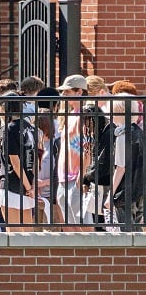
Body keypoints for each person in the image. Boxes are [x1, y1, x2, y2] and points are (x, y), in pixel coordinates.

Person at [56, 74, 91, 231]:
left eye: (67, 91)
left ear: (79, 92)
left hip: (76, 176)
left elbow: (88, 148)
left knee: (84, 226)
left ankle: (94, 256)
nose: (63, 94)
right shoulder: (69, 115)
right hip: (64, 177)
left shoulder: (85, 115)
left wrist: (81, 177)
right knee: (70, 228)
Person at [0, 96, 37, 231]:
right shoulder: (31, 128)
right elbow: (36, 158)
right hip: (27, 183)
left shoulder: (9, 129)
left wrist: (28, 188)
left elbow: (15, 163)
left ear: (4, 109)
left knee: (13, 235)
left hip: (12, 184)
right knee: (28, 233)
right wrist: (31, 186)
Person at [105, 95, 143, 228]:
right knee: (137, 234)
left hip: (125, 193)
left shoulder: (123, 136)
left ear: (119, 111)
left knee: (125, 234)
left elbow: (121, 168)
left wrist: (110, 194)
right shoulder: (140, 133)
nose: (111, 116)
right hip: (140, 191)